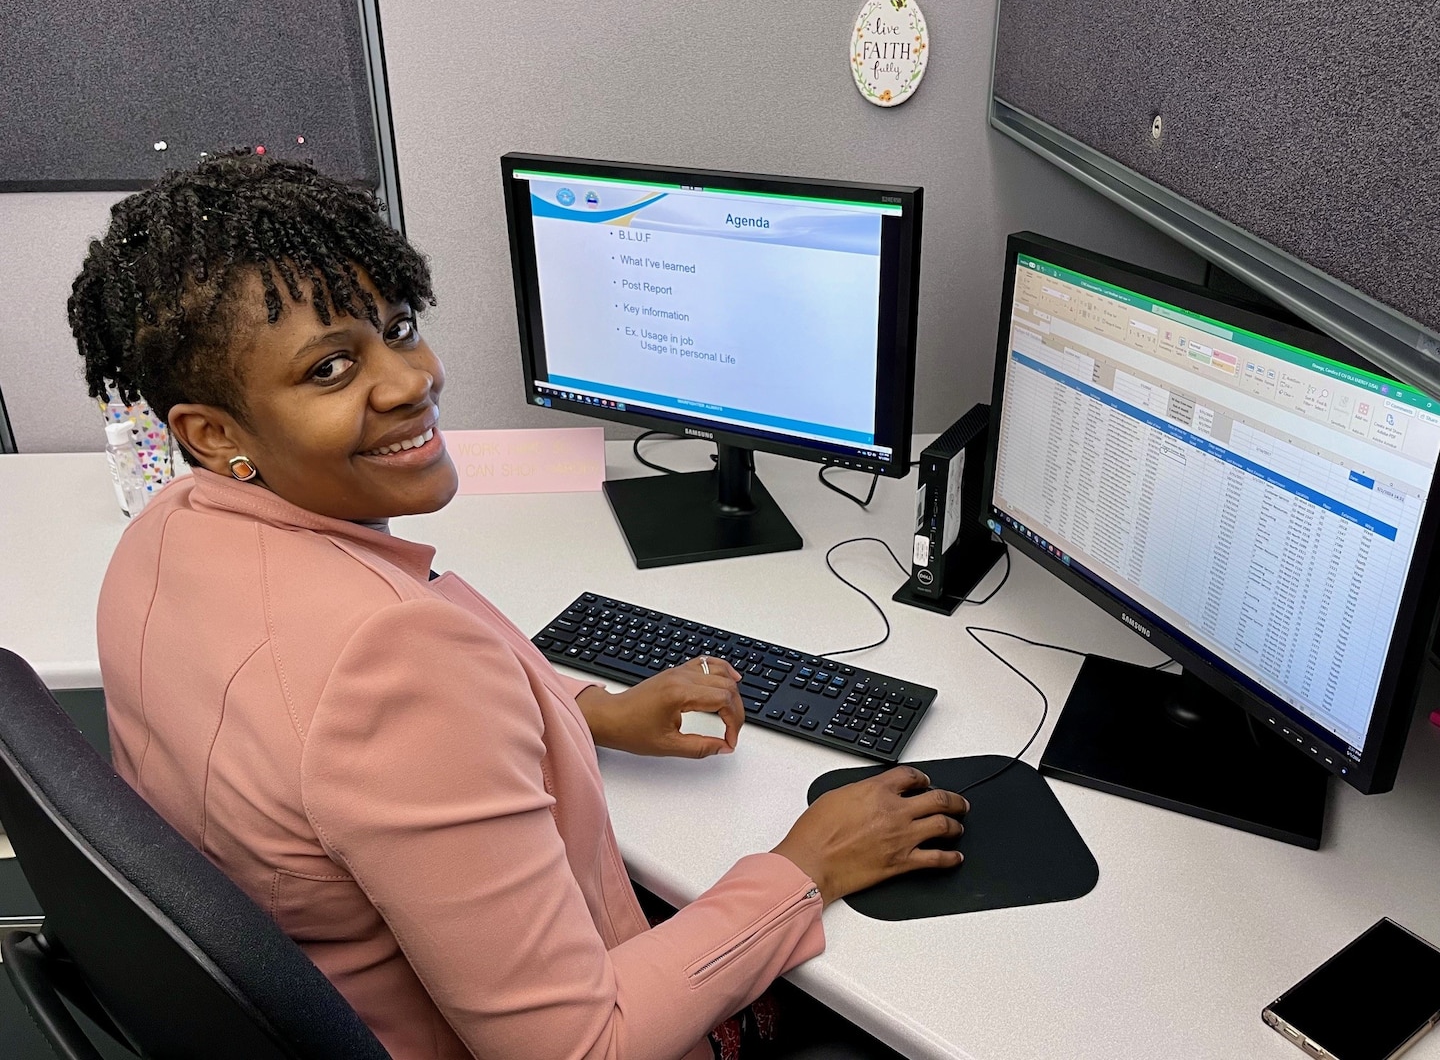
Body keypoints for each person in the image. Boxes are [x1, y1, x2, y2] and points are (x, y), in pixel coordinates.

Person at [71, 152, 968, 1060]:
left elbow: (323, 761)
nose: (410, 379)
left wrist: (591, 715)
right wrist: (806, 866)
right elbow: (584, 1047)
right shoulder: (394, 658)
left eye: (400, 326)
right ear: (212, 432)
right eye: (332, 369)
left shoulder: (166, 529)